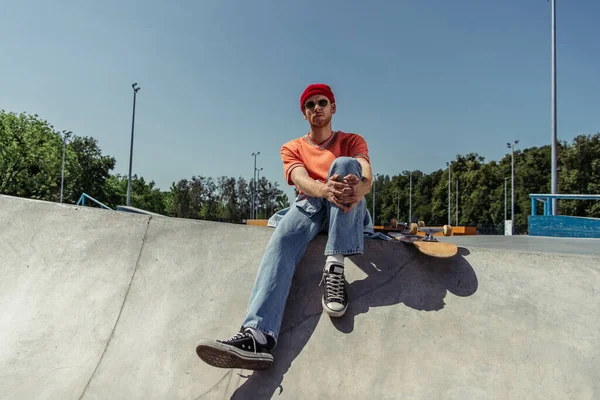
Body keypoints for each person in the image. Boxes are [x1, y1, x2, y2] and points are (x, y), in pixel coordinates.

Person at [196, 83, 373, 370]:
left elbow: (365, 171)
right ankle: (258, 336)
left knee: (344, 164)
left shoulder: (353, 140)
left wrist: (360, 188)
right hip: (311, 204)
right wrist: (323, 190)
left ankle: (334, 269)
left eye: (322, 103)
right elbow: (301, 179)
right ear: (304, 114)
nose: (317, 108)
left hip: (348, 204)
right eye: (310, 105)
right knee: (282, 242)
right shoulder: (292, 147)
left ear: (333, 108)